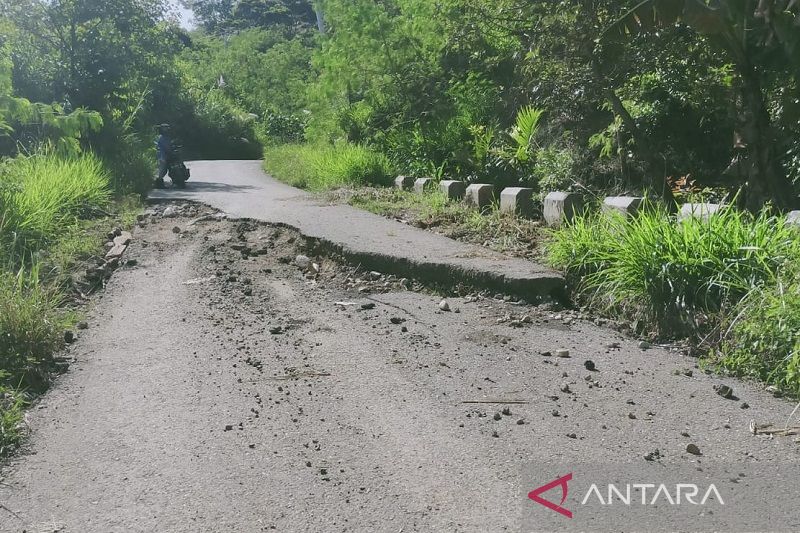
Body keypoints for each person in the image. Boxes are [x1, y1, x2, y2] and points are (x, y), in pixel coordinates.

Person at [154, 124, 172, 189]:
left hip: (165, 155)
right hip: (162, 155)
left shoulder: (166, 137)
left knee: (164, 170)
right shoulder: (161, 137)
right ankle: (158, 184)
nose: (166, 129)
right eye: (165, 128)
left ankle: (159, 183)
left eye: (167, 128)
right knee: (162, 170)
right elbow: (162, 147)